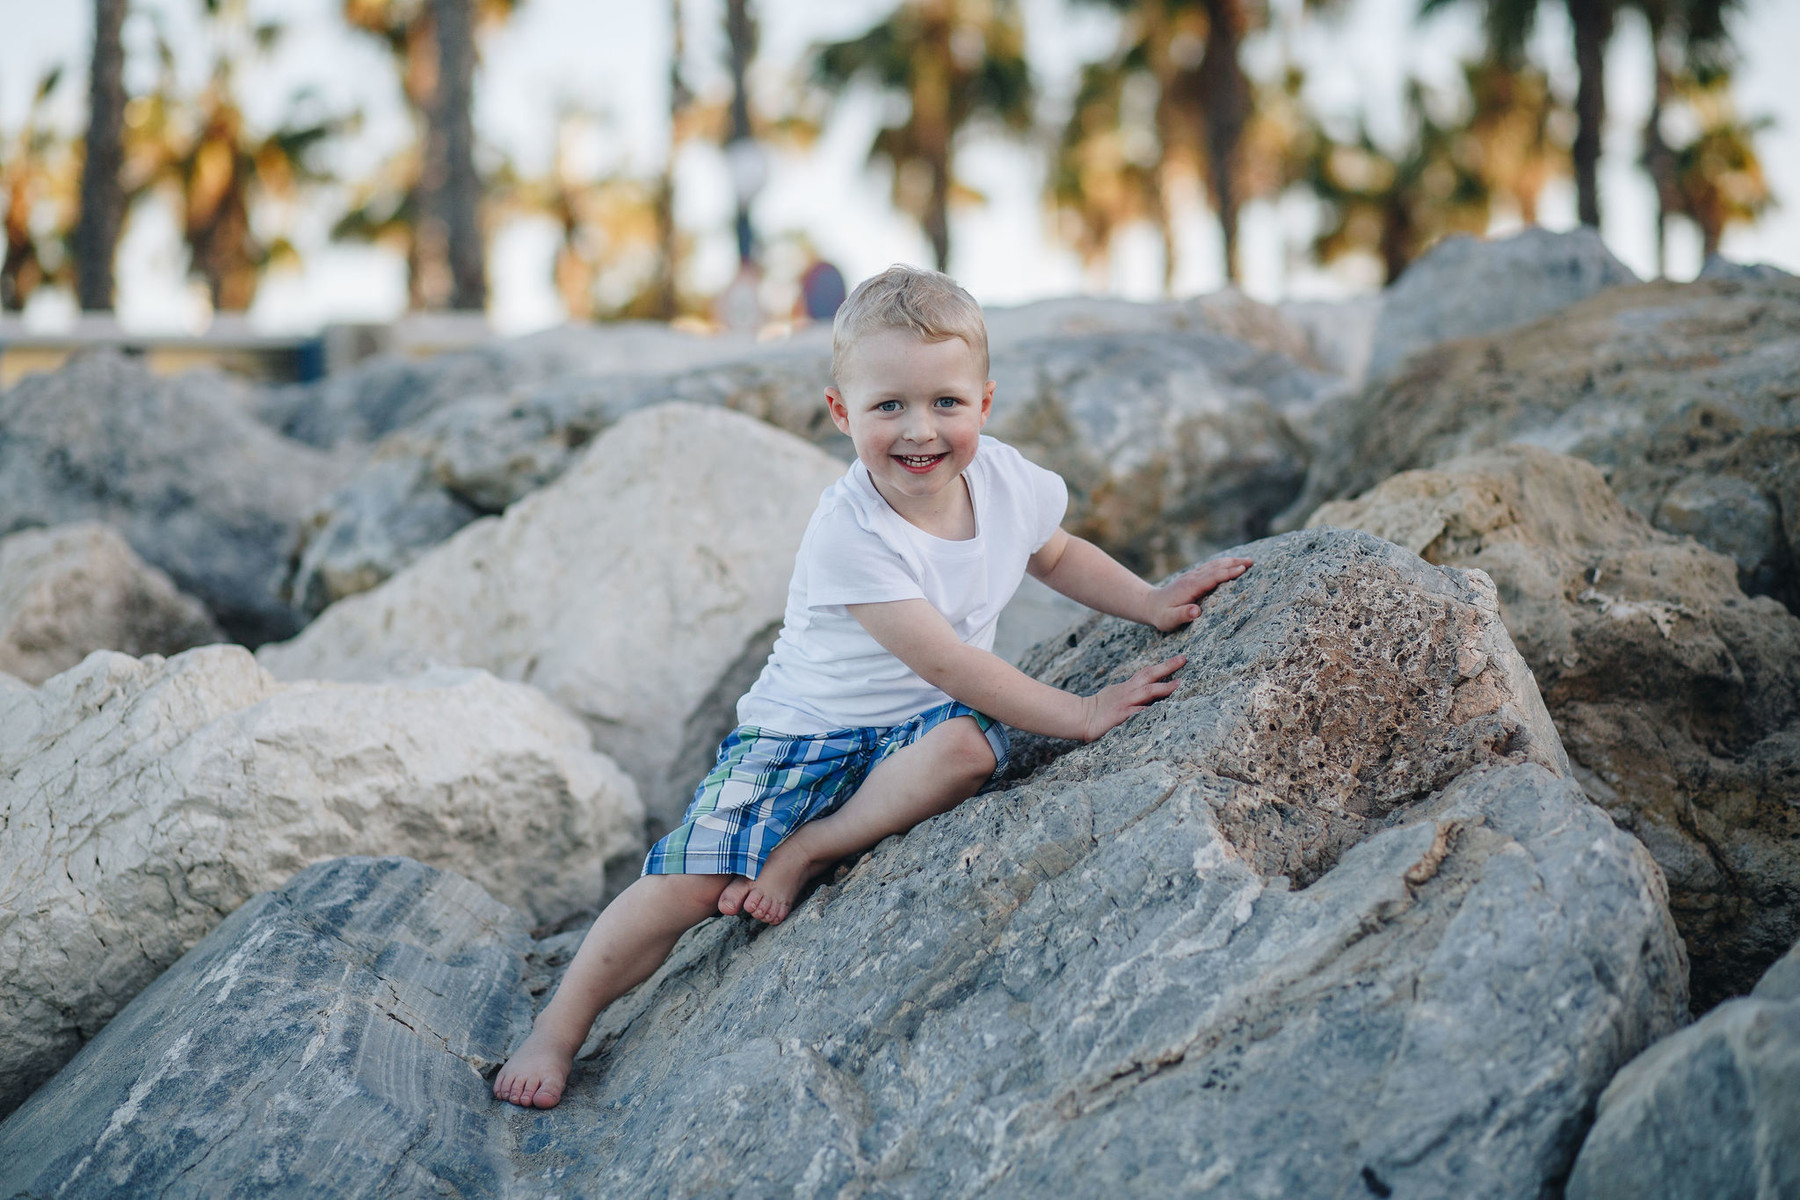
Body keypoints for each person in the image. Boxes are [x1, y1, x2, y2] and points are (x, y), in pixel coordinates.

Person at [493, 265, 1252, 1109]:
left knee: (965, 749)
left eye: (946, 404)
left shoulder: (1004, 480)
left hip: (914, 730)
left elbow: (1059, 554)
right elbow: (951, 661)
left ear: (985, 404)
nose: (919, 430)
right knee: (689, 883)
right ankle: (558, 1027)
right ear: (841, 412)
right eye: (888, 406)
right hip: (802, 733)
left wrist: (1150, 600)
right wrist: (1080, 715)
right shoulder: (848, 531)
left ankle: (811, 848)